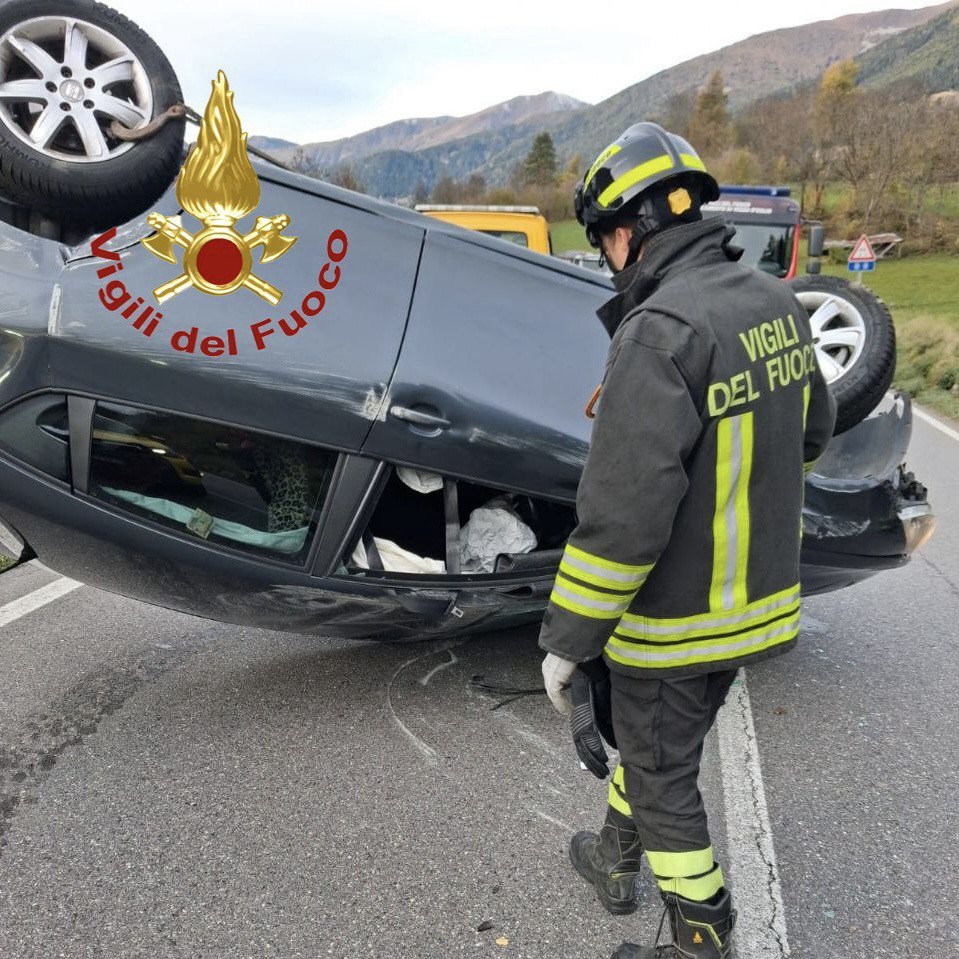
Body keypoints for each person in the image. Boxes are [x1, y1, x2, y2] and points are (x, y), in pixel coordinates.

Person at [538, 122, 836, 958]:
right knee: (657, 740)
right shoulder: (774, 301)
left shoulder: (658, 330)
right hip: (755, 603)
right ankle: (612, 855)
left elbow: (621, 517)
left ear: (627, 229)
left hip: (673, 620)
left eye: (603, 240)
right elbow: (813, 428)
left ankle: (701, 938)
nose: (605, 256)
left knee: (665, 777)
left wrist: (566, 642)